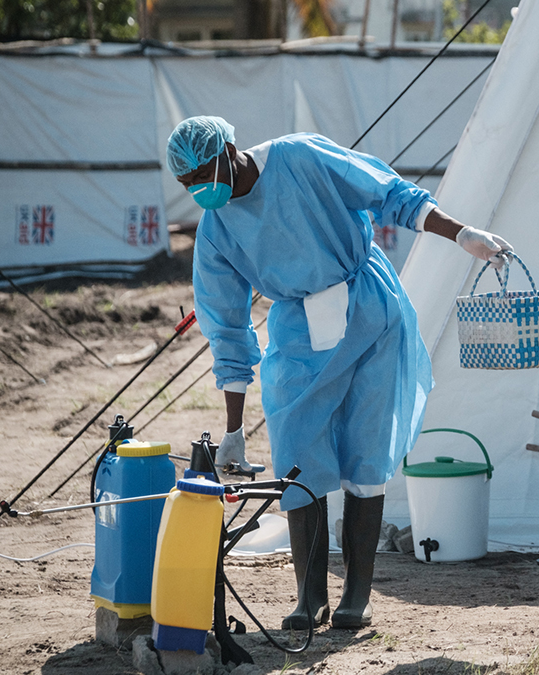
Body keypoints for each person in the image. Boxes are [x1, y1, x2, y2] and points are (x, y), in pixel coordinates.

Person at [166, 117, 512, 630]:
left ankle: (356, 595)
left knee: (364, 457)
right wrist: (234, 431)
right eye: (187, 183)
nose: (199, 188)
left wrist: (460, 233)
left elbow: (386, 192)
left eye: (203, 172)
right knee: (298, 464)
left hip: (367, 313)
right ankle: (309, 598)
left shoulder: (299, 158)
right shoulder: (217, 233)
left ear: (230, 150)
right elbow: (228, 330)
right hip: (297, 335)